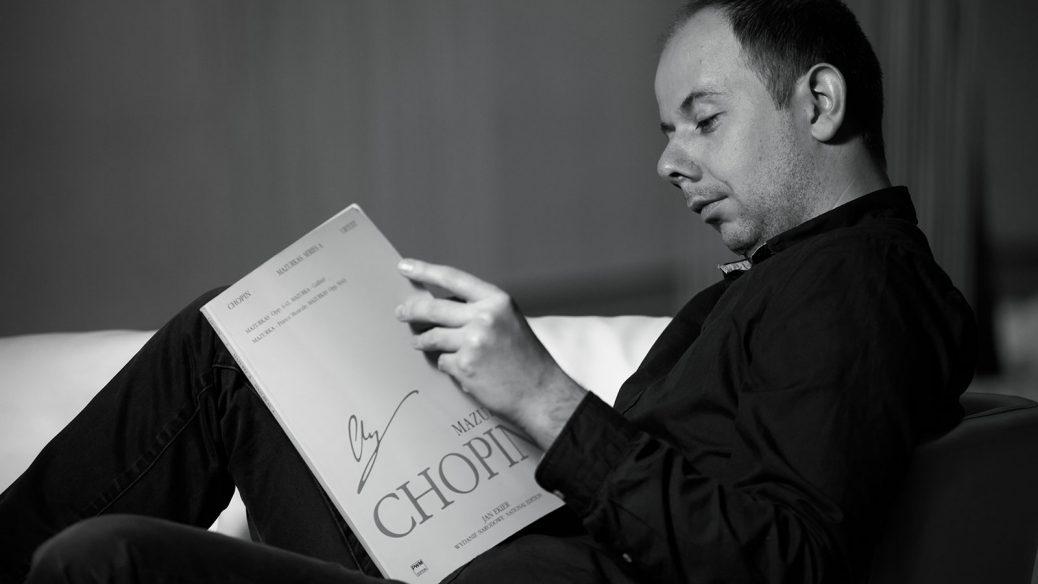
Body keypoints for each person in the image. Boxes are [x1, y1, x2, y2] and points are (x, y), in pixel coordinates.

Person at [0, 0, 977, 582]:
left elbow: (784, 563)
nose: (670, 161)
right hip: (494, 552)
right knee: (240, 337)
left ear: (819, 100)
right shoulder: (803, 277)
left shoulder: (859, 284)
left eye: (704, 120)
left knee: (105, 559)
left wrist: (544, 398)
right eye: (668, 131)